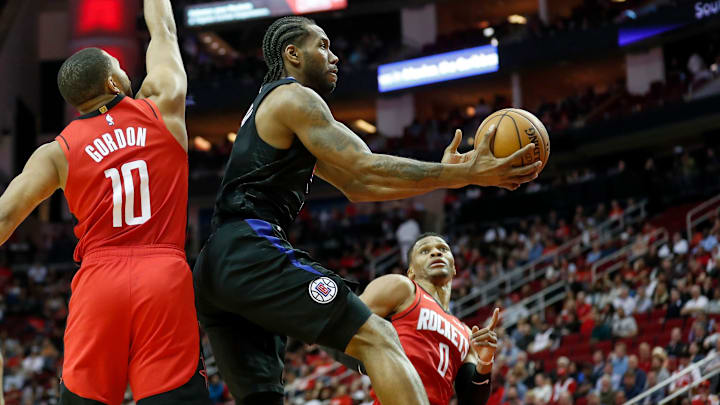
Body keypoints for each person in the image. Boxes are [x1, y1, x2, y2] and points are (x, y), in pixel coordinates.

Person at [192, 15, 540, 405]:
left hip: (218, 266)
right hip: (247, 246)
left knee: (263, 398)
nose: (334, 56)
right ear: (292, 54)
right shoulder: (295, 97)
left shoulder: (273, 109)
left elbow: (359, 186)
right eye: (322, 46)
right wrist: (464, 175)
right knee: (378, 335)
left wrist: (449, 176)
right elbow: (365, 164)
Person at [0, 1, 210, 404]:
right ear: (114, 83)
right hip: (162, 273)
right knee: (172, 395)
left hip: (98, 280)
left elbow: (6, 216)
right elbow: (163, 30)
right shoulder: (163, 105)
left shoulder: (56, 152)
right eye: (119, 65)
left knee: (86, 398)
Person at [358, 233, 499, 405]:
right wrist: (377, 364)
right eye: (424, 251)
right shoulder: (402, 288)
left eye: (443, 249)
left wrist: (485, 362)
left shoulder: (466, 333)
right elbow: (341, 326)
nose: (436, 253)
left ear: (454, 267)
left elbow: (470, 402)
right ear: (411, 271)